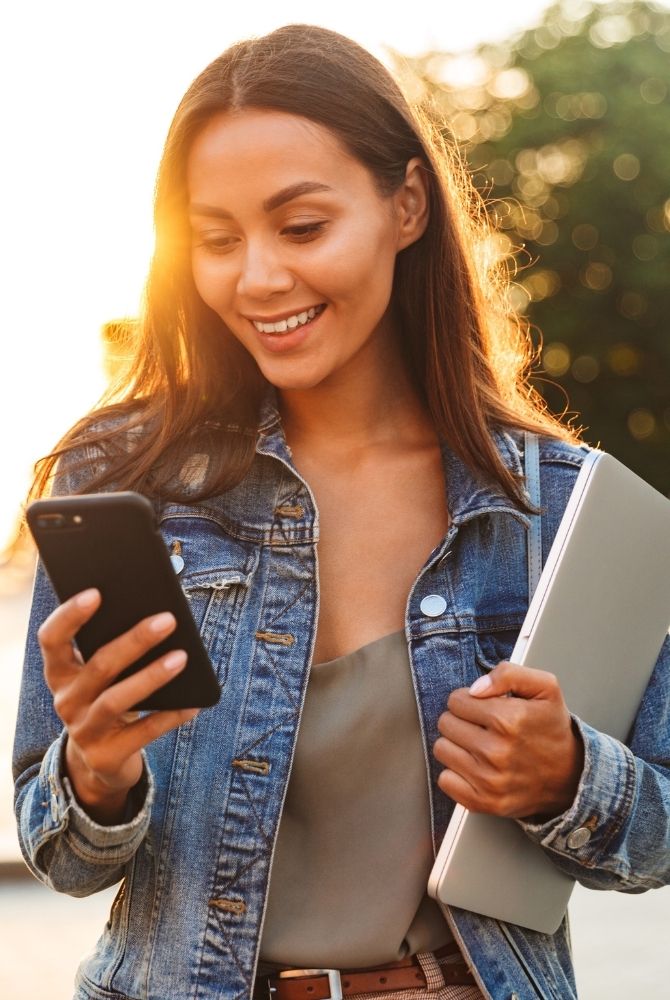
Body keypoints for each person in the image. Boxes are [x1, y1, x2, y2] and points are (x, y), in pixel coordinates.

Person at [13, 24, 669, 1000]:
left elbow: (656, 835)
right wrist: (99, 770)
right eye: (218, 239)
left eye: (303, 226)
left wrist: (570, 774)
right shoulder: (124, 480)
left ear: (406, 203)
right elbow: (61, 853)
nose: (259, 277)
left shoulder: (551, 502)